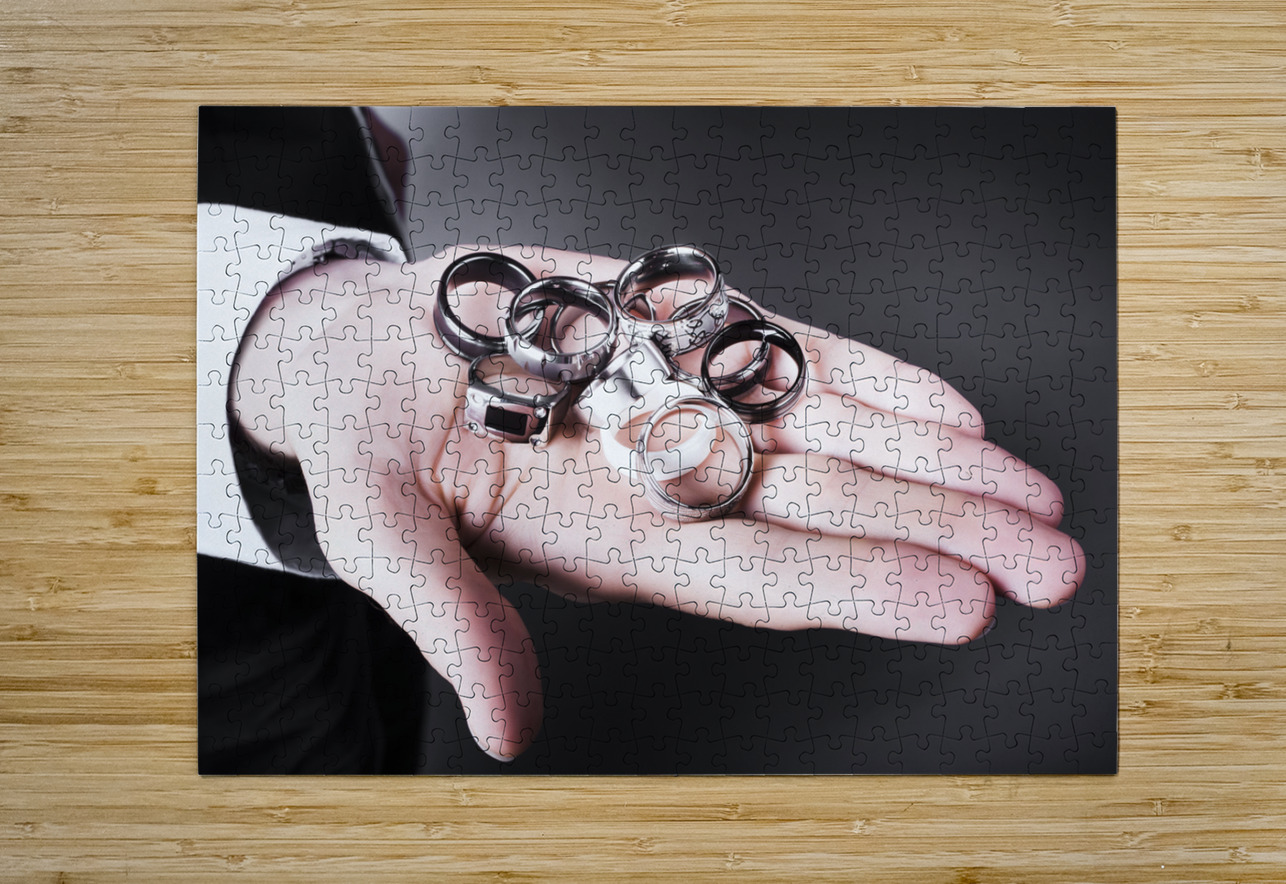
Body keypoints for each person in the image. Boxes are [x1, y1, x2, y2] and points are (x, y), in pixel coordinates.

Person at [224, 240, 1085, 763]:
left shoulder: (665, 371)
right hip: (238, 677)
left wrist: (314, 298)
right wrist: (302, 340)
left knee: (372, 712)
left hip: (316, 655)